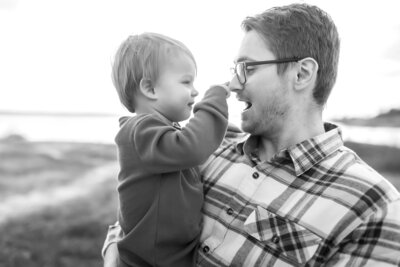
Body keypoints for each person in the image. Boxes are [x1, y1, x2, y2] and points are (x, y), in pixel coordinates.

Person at [103, 4, 400, 266]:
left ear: (302, 74)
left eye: (247, 68)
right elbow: (135, 210)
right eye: (235, 69)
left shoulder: (374, 207)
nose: (233, 83)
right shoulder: (208, 150)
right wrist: (113, 253)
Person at [110, 32, 230, 267]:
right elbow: (191, 147)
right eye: (186, 82)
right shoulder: (141, 130)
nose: (195, 91)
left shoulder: (157, 131)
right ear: (150, 88)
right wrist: (214, 100)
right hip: (153, 259)